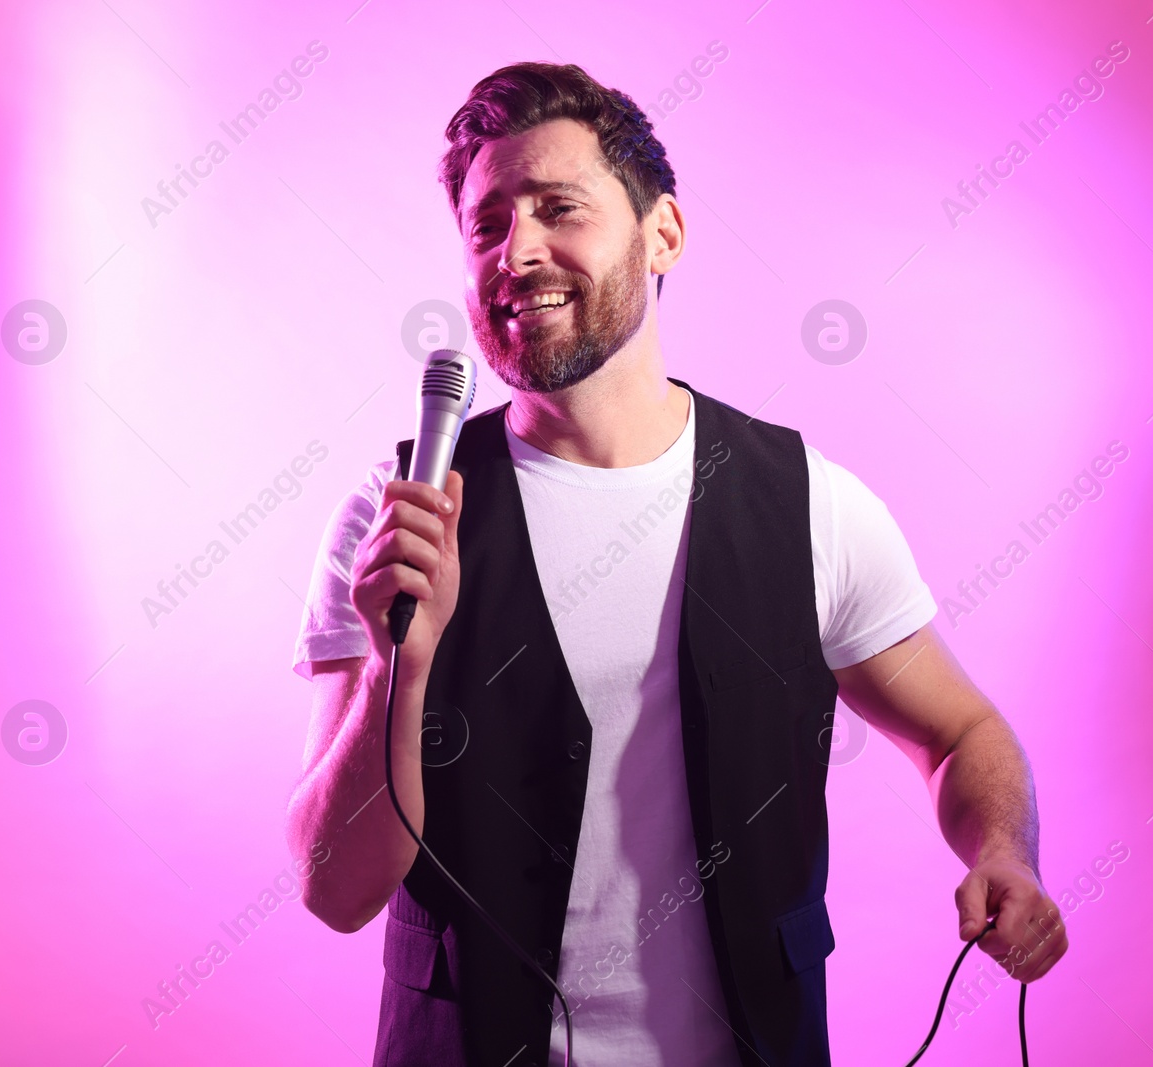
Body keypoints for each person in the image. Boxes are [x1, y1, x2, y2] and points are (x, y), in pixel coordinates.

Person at [286, 61, 1067, 1067]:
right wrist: (404, 665)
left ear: (663, 234)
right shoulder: (395, 516)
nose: (517, 251)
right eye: (486, 225)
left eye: (557, 207)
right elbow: (334, 888)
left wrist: (1003, 850)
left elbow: (963, 731)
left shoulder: (806, 504)